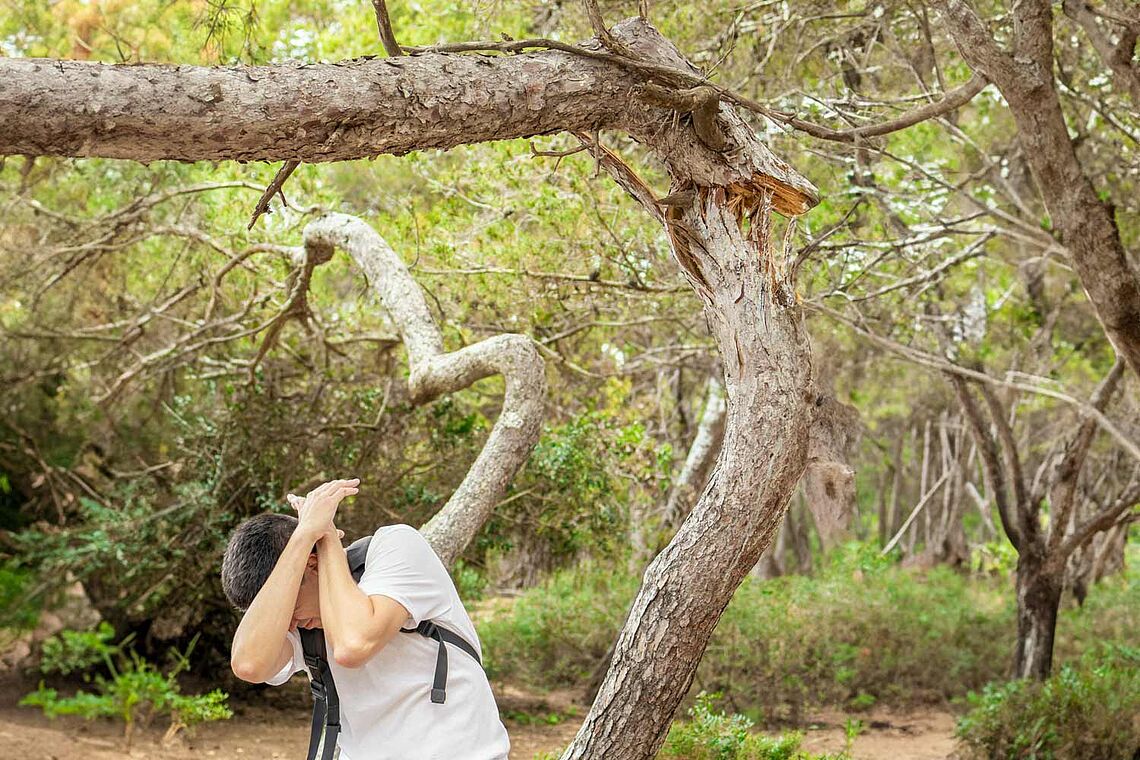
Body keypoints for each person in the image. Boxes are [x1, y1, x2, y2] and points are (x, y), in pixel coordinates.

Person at [220, 477, 510, 760]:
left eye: (291, 609)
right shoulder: (302, 621)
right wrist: (304, 536)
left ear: (311, 564)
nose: (289, 625)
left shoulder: (396, 547)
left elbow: (352, 644)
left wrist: (327, 538)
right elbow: (249, 664)